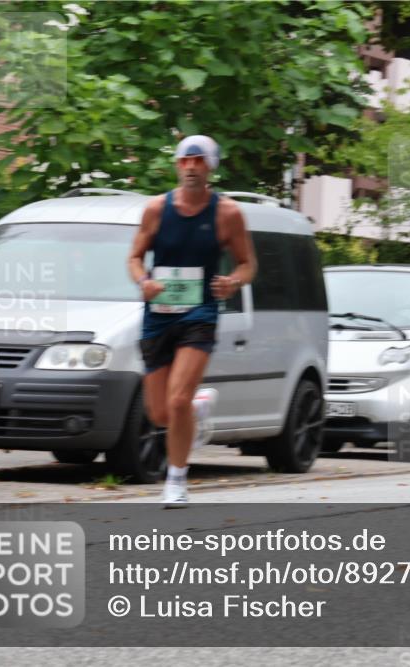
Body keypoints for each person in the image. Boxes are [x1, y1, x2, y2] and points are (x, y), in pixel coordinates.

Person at [127, 134, 257, 507]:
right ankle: (198, 407)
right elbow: (134, 257)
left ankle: (177, 480)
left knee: (178, 399)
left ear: (210, 167)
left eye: (198, 161)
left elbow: (248, 264)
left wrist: (232, 282)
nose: (190, 167)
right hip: (158, 315)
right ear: (176, 166)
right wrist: (143, 281)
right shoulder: (156, 209)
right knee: (160, 412)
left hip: (199, 313)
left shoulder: (227, 214)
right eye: (185, 161)